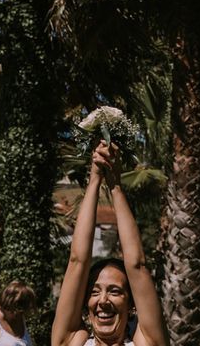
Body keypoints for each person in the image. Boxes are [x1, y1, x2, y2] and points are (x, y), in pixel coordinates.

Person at [52, 141, 169, 346]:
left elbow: (137, 265)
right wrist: (94, 179)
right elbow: (77, 260)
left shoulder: (146, 343)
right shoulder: (72, 342)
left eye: (115, 291)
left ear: (132, 305)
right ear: (86, 303)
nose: (103, 301)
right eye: (94, 292)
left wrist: (115, 186)